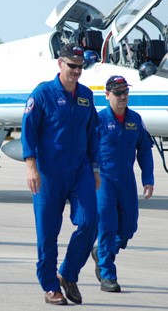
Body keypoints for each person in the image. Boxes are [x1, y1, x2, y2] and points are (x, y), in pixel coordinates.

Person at [21, 44, 100, 305]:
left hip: (79, 171)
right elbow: (28, 130)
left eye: (80, 66)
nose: (76, 71)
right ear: (60, 64)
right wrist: (31, 165)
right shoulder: (43, 93)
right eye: (72, 66)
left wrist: (95, 168)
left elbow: (93, 134)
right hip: (48, 173)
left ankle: (68, 273)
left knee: (90, 221)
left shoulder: (86, 96)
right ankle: (50, 285)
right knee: (48, 233)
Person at [91, 75, 154, 293]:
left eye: (125, 92)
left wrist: (148, 178)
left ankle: (101, 253)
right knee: (107, 227)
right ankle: (107, 274)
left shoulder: (135, 120)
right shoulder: (97, 121)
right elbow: (86, 151)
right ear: (107, 95)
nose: (122, 97)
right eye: (118, 93)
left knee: (129, 227)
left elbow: (144, 149)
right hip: (103, 180)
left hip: (126, 179)